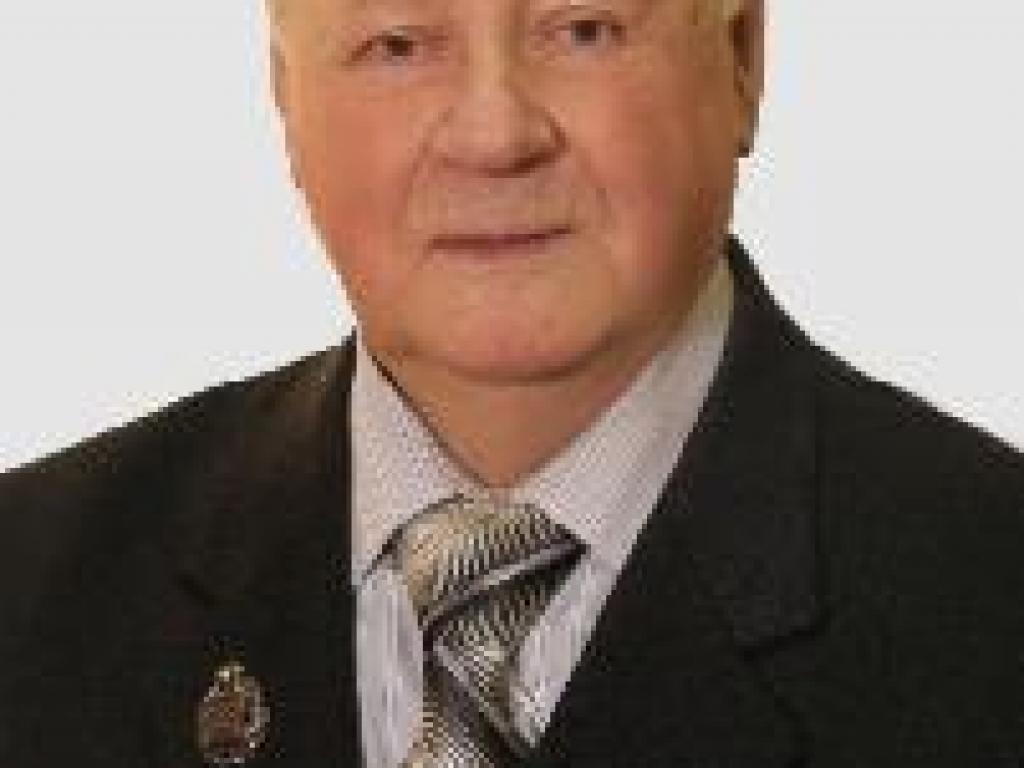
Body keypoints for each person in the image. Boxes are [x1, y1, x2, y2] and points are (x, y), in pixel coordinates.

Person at [1, 0, 1022, 764]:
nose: (494, 138)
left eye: (584, 30)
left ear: (744, 58)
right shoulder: (31, 583)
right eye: (397, 44)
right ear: (284, 96)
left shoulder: (988, 600)